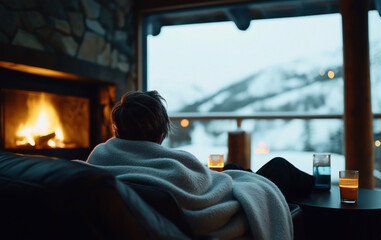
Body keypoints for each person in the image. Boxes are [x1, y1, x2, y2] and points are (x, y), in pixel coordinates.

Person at [86, 90, 314, 240]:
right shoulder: (175, 165)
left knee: (234, 167)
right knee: (279, 167)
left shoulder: (98, 161)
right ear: (160, 134)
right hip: (225, 208)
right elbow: (209, 192)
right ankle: (318, 187)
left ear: (119, 129)